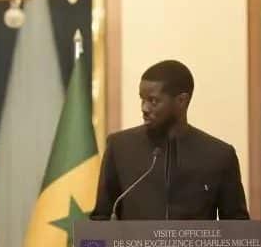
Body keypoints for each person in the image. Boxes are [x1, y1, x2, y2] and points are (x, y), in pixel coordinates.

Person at [91, 59, 249, 221]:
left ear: (181, 101)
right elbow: (101, 218)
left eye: (153, 101)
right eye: (142, 99)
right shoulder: (120, 148)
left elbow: (237, 226)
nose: (144, 108)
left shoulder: (219, 156)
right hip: (133, 239)